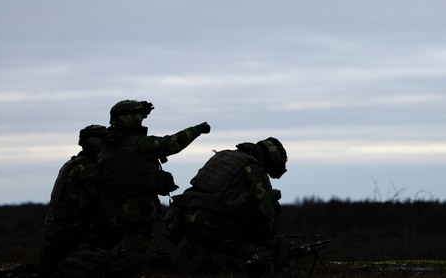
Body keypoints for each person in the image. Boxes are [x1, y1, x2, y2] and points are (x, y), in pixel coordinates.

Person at [80, 99, 211, 275]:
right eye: (135, 114)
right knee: (139, 256)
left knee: (120, 249)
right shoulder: (139, 144)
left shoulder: (106, 148)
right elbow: (172, 143)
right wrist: (197, 130)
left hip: (114, 211)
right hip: (138, 210)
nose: (139, 118)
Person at [164, 137, 287, 274]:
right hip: (218, 230)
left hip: (191, 227)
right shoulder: (254, 169)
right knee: (266, 256)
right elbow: (267, 213)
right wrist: (266, 240)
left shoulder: (222, 156)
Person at [39, 124, 108, 277]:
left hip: (57, 227)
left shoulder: (73, 163)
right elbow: (102, 201)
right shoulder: (88, 168)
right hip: (68, 229)